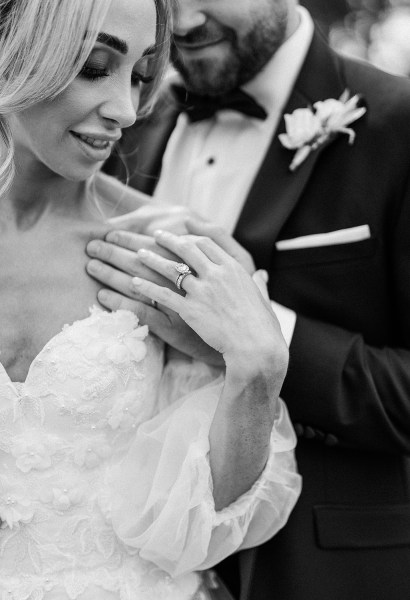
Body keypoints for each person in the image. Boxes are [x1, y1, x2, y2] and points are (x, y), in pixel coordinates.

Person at [95, 0, 410, 599]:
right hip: (135, 568)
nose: (182, 25)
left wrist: (259, 334)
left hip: (326, 576)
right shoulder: (126, 120)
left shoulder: (399, 124)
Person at [0, 0, 302, 598]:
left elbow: (198, 523)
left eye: (139, 76)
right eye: (94, 67)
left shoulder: (168, 248)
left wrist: (257, 365)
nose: (127, 110)